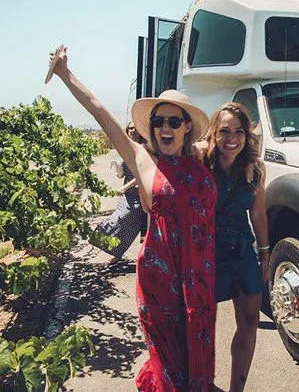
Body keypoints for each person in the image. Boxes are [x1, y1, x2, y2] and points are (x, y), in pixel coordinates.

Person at [50, 47, 217, 391]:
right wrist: (66, 74)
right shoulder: (142, 160)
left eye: (173, 121)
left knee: (196, 358)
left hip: (199, 281)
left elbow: (239, 143)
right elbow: (100, 112)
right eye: (158, 122)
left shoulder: (201, 160)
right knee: (169, 363)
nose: (164, 128)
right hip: (161, 282)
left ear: (187, 127)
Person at [196, 102, 269, 392]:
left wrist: (265, 254)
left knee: (251, 321)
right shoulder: (201, 160)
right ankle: (202, 384)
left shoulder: (255, 168)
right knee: (201, 325)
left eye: (239, 131)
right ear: (213, 132)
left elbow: (259, 214)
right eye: (224, 131)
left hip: (241, 250)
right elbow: (190, 143)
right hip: (206, 253)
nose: (232, 138)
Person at [93, 123, 147, 265]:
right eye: (130, 128)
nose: (133, 130)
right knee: (117, 219)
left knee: (127, 222)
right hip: (128, 194)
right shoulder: (126, 147)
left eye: (135, 128)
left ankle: (118, 252)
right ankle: (115, 251)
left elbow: (142, 174)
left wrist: (124, 188)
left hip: (138, 194)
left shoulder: (144, 148)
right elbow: (122, 174)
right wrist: (118, 169)